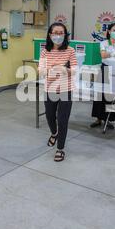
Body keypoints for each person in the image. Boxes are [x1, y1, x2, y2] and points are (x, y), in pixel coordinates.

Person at [38, 22, 77, 162]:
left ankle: (60, 148)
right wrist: (52, 69)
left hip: (66, 89)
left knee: (62, 120)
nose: (58, 35)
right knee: (49, 116)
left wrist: (64, 69)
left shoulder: (70, 51)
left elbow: (75, 70)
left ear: (65, 35)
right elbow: (40, 70)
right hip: (50, 89)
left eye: (61, 33)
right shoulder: (45, 51)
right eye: (55, 32)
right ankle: (54, 133)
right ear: (50, 34)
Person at [90, 23, 115, 129]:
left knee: (112, 96)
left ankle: (109, 120)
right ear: (108, 31)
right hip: (105, 70)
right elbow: (103, 55)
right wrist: (113, 54)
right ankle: (98, 119)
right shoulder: (103, 43)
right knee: (100, 95)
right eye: (114, 30)